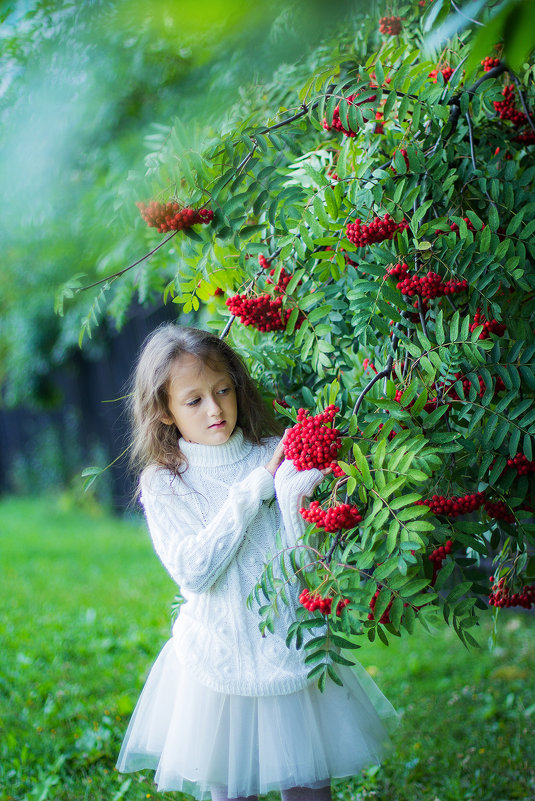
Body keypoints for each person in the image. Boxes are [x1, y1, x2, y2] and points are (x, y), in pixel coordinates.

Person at [116, 323, 396, 801]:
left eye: (222, 390)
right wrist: (254, 489)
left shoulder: (276, 453)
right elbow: (195, 570)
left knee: (310, 790)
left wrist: (299, 493)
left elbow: (304, 561)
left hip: (291, 653)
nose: (214, 408)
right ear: (163, 411)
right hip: (217, 667)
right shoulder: (164, 484)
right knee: (232, 791)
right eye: (194, 400)